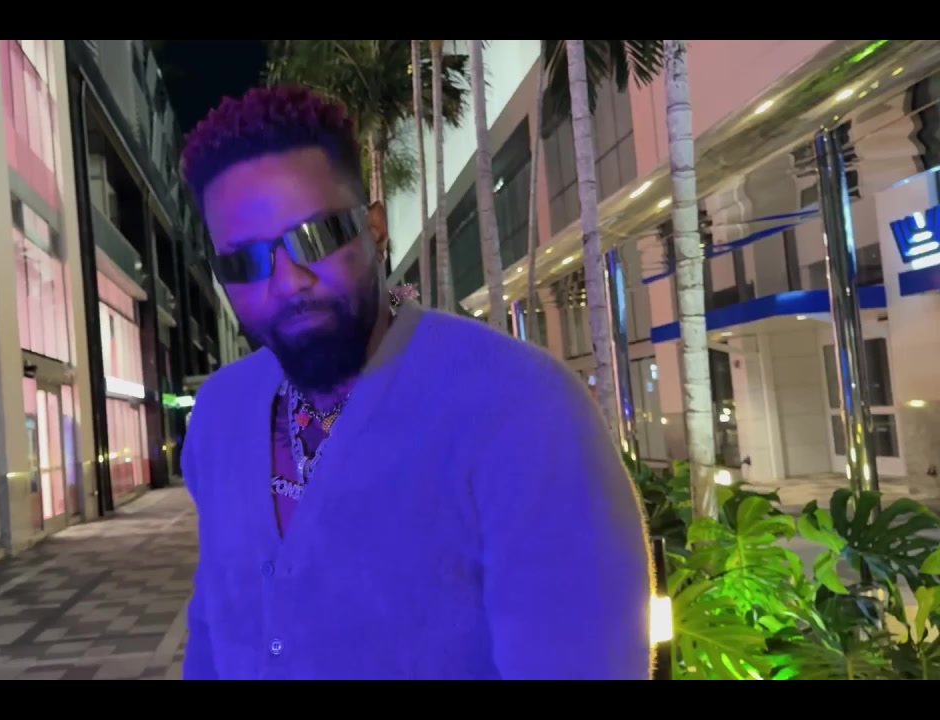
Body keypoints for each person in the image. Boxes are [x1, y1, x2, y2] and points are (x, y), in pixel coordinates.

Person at [177, 85, 654, 680]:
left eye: (315, 237)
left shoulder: (522, 409)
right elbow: (212, 628)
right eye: (245, 262)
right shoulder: (220, 414)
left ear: (374, 227)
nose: (287, 280)